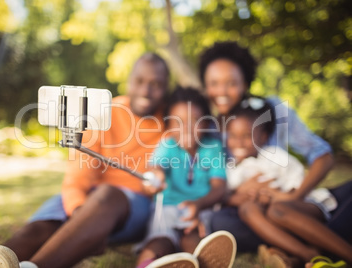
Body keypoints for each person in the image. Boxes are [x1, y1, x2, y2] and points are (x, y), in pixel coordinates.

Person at [0, 52, 170, 268]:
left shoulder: (171, 122)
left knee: (108, 194)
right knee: (40, 229)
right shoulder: (107, 112)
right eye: (140, 81)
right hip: (89, 199)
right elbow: (78, 176)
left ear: (166, 88)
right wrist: (81, 216)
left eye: (156, 84)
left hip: (132, 206)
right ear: (129, 81)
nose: (146, 91)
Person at [198, 41, 334, 252]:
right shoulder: (208, 130)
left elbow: (322, 156)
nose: (222, 91)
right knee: (220, 223)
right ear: (205, 87)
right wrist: (237, 192)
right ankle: (300, 242)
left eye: (231, 83)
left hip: (288, 201)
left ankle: (291, 242)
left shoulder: (274, 110)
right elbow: (211, 186)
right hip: (246, 210)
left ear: (245, 83)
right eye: (214, 83)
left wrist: (292, 198)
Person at [222, 99, 352, 267]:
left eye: (246, 136)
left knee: (276, 210)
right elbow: (227, 195)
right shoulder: (234, 169)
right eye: (233, 136)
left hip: (300, 205)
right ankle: (309, 255)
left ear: (263, 137)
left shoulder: (274, 156)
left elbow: (296, 179)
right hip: (268, 212)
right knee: (247, 209)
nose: (238, 142)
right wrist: (253, 196)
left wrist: (281, 196)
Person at [135, 87, 233, 268]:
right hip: (166, 210)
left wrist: (199, 204)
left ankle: (198, 262)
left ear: (205, 124)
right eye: (178, 122)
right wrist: (154, 177)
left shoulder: (212, 148)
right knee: (159, 242)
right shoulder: (168, 145)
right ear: (169, 125)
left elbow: (219, 187)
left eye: (194, 121)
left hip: (198, 211)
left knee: (195, 242)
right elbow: (155, 167)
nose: (186, 128)